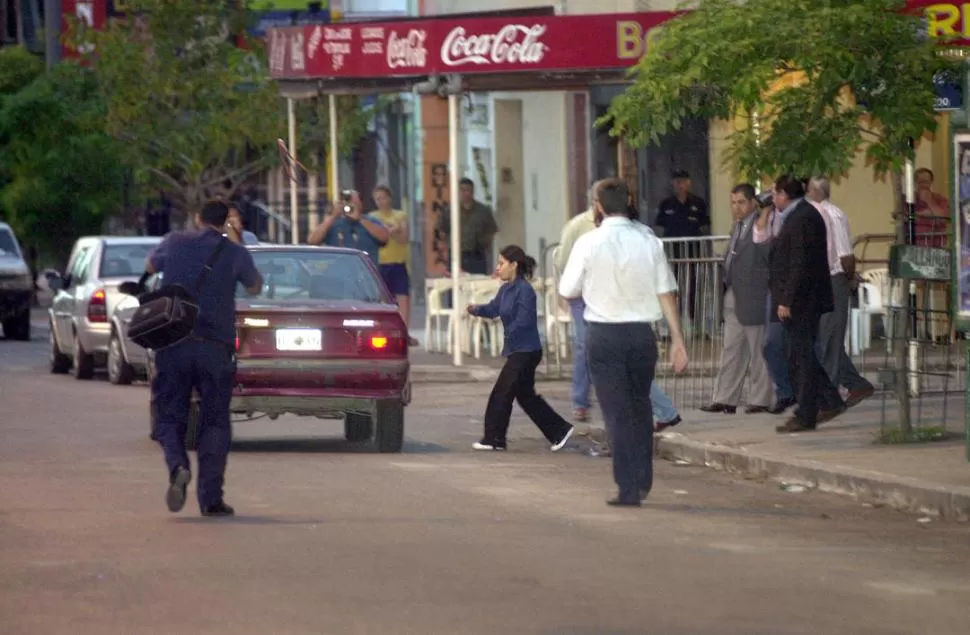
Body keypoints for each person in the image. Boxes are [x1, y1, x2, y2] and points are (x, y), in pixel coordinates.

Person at [560, 178, 688, 507]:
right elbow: (666, 293)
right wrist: (678, 340)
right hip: (642, 334)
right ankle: (643, 479)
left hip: (603, 334)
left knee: (616, 413)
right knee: (640, 407)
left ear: (598, 206)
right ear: (629, 201)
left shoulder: (588, 243)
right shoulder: (649, 241)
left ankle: (627, 487)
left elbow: (568, 289)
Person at [146, 200, 263, 517]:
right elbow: (255, 286)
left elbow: (149, 266)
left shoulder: (175, 241)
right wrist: (235, 241)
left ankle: (177, 465)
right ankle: (211, 499)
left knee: (168, 416)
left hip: (174, 344)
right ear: (226, 221)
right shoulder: (235, 252)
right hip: (215, 347)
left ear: (197, 219)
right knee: (215, 422)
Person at [756, 175, 844, 433]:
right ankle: (830, 400)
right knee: (801, 354)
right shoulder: (798, 215)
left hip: (802, 301)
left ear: (784, 195)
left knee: (801, 357)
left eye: (775, 194)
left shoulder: (803, 217)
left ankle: (806, 414)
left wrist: (786, 299)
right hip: (801, 298)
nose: (772, 199)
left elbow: (799, 262)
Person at [467, 245, 575, 452]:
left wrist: (509, 333)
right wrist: (476, 309)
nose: (498, 268)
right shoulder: (505, 289)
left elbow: (525, 320)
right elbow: (493, 309)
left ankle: (494, 439)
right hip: (517, 350)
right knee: (525, 396)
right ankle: (559, 431)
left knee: (501, 393)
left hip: (526, 351)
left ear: (514, 265)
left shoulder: (525, 290)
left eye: (501, 263)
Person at [701, 183, 774, 415]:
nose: (736, 207)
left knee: (758, 350)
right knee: (731, 348)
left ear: (753, 202)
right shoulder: (738, 226)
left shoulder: (761, 223)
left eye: (741, 202)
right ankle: (725, 398)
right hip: (733, 292)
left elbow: (765, 255)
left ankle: (760, 400)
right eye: (733, 203)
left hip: (754, 294)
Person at [806, 177, 875, 408]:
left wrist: (846, 281)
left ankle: (830, 394)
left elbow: (846, 256)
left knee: (829, 339)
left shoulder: (832, 215)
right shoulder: (817, 214)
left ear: (814, 191)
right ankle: (855, 383)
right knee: (824, 339)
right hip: (822, 281)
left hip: (834, 279)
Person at [369, 185, 418, 346]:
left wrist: (395, 231)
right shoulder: (372, 216)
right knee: (381, 300)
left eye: (383, 197)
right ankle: (382, 333)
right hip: (379, 263)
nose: (381, 201)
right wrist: (387, 231)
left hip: (398, 262)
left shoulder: (400, 215)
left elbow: (404, 238)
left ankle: (404, 332)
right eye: (377, 199)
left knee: (403, 298)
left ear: (390, 198)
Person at [307, 189, 389, 267]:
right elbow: (312, 241)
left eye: (354, 203)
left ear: (361, 204)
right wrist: (333, 216)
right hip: (340, 272)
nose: (350, 205)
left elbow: (384, 237)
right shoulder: (334, 222)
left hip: (365, 273)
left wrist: (360, 219)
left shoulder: (370, 220)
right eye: (348, 202)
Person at [436, 178, 499, 274]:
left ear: (473, 191)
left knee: (478, 284)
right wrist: (449, 245)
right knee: (455, 285)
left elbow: (491, 231)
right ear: (458, 191)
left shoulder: (483, 211)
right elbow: (442, 232)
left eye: (468, 190)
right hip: (456, 254)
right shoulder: (450, 210)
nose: (466, 193)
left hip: (477, 255)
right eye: (462, 190)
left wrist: (485, 245)